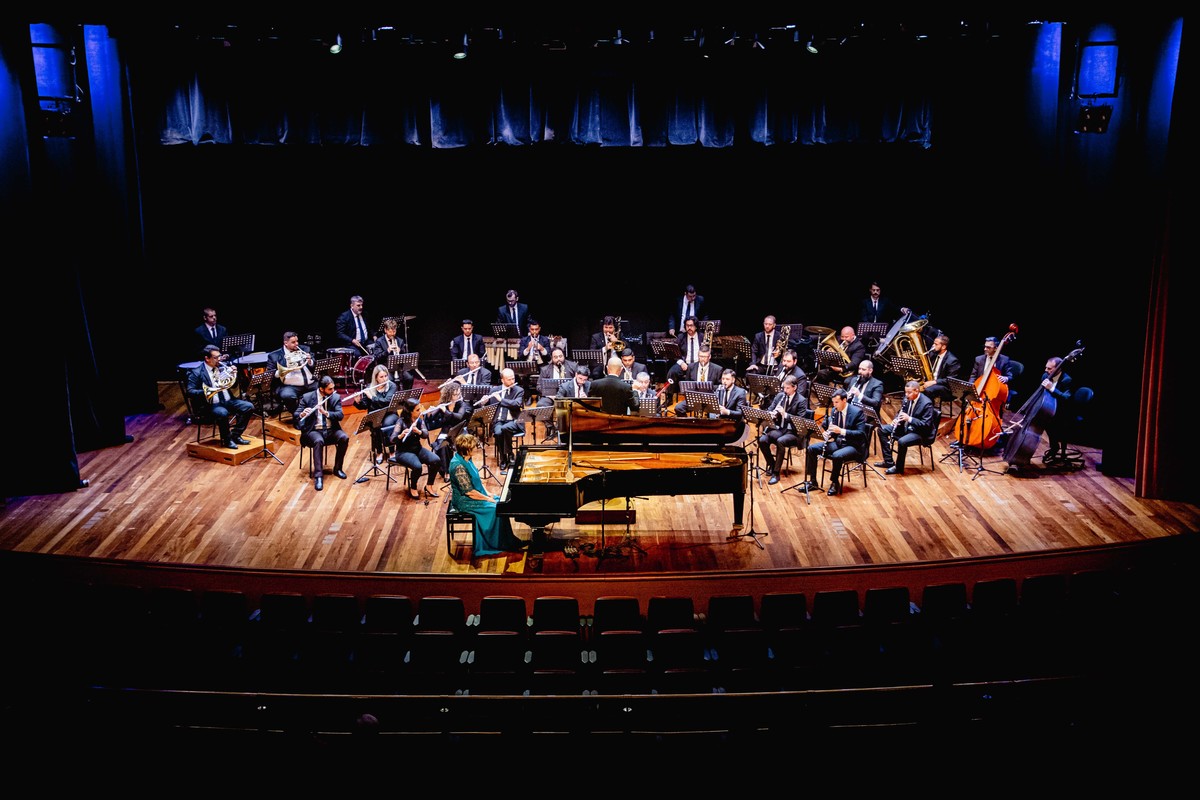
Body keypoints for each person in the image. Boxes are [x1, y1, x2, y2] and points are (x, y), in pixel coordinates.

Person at [447, 432, 525, 556]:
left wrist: (488, 493)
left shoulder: (467, 459)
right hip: (465, 501)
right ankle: (496, 543)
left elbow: (476, 479)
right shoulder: (458, 467)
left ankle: (507, 540)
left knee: (502, 503)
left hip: (475, 494)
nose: (476, 448)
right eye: (473, 447)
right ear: (466, 449)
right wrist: (488, 499)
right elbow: (469, 492)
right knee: (496, 508)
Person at [802, 387, 867, 496]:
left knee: (837, 455)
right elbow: (833, 429)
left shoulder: (857, 412)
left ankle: (835, 482)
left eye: (837, 402)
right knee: (811, 449)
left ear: (844, 400)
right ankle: (813, 482)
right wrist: (828, 434)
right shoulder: (834, 411)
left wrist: (842, 431)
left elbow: (861, 434)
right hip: (839, 443)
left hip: (853, 446)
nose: (834, 405)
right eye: (833, 402)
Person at [186, 345, 254, 449]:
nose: (219, 359)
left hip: (228, 400)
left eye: (219, 356)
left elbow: (233, 386)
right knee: (222, 413)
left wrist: (234, 375)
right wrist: (208, 390)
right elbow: (190, 391)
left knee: (248, 406)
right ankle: (227, 440)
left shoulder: (223, 367)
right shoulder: (196, 372)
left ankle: (235, 435)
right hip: (210, 405)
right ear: (207, 358)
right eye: (216, 357)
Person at [297, 375, 349, 491]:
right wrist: (302, 414)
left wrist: (326, 413)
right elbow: (296, 415)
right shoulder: (307, 397)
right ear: (321, 389)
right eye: (330, 389)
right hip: (314, 430)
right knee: (318, 441)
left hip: (331, 430)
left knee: (344, 438)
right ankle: (318, 476)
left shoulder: (335, 397)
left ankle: (337, 469)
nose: (333, 391)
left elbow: (340, 415)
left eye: (333, 388)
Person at [876, 380, 937, 474]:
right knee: (881, 430)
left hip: (920, 432)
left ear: (916, 391)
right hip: (906, 427)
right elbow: (900, 412)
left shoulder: (926, 403)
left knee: (902, 441)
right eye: (906, 392)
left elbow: (926, 425)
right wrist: (896, 419)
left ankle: (898, 468)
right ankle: (888, 461)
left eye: (909, 392)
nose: (906, 395)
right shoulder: (907, 399)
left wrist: (909, 419)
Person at [389, 398, 444, 500]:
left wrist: (419, 432)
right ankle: (413, 487)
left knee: (436, 460)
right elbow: (392, 439)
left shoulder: (419, 420)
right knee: (418, 467)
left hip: (417, 449)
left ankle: (429, 485)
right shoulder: (401, 422)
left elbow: (425, 434)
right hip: (403, 452)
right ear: (410, 411)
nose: (420, 411)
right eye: (417, 410)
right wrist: (401, 435)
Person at [758, 376, 809, 485]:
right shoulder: (780, 396)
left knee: (780, 441)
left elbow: (799, 421)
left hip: (794, 432)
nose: (785, 391)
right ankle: (772, 465)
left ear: (794, 387)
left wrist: (785, 415)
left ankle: (776, 473)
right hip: (780, 429)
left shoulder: (802, 401)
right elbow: (770, 409)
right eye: (784, 388)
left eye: (787, 388)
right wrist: (771, 414)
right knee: (762, 440)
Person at [476, 368, 524, 473]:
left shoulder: (519, 390)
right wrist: (484, 402)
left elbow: (516, 404)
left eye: (513, 378)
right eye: (509, 379)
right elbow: (487, 407)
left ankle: (508, 455)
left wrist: (501, 399)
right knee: (498, 432)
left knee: (505, 428)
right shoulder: (494, 390)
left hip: (513, 421)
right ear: (502, 380)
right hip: (498, 421)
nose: (512, 381)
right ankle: (505, 457)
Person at [354, 364, 398, 465]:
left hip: (389, 413)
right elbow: (365, 405)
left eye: (386, 376)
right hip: (376, 414)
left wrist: (372, 397)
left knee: (387, 424)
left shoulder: (392, 386)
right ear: (376, 378)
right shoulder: (370, 388)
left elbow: (386, 402)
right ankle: (379, 452)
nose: (384, 379)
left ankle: (392, 451)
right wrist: (358, 402)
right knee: (375, 425)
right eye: (381, 377)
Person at [267, 331, 316, 422]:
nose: (296, 344)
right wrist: (285, 370)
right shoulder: (274, 355)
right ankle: (298, 416)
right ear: (286, 343)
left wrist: (310, 361)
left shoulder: (305, 349)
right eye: (293, 342)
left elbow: (314, 365)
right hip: (290, 386)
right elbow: (270, 374)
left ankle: (316, 415)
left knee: (324, 388)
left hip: (310, 382)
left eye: (297, 341)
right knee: (287, 395)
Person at [424, 382, 471, 477]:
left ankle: (466, 467)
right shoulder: (443, 404)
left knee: (464, 443)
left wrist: (446, 412)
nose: (458, 396)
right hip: (446, 431)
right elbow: (430, 419)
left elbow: (459, 417)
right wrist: (429, 414)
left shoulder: (462, 404)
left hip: (459, 430)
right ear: (449, 395)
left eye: (459, 394)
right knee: (443, 445)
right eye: (455, 395)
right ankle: (447, 471)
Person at [1034, 356, 1074, 462]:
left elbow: (1066, 398)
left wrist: (1052, 388)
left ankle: (1054, 447)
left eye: (1049, 368)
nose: (1046, 370)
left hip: (1062, 410)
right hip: (1049, 407)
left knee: (1048, 421)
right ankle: (1053, 446)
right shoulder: (1045, 376)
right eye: (1046, 367)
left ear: (1058, 368)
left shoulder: (1067, 380)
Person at [672, 346, 724, 416]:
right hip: (694, 398)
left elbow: (720, 387)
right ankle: (689, 423)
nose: (702, 359)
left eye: (705, 357)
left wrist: (707, 386)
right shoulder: (691, 367)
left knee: (713, 415)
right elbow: (687, 383)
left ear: (709, 357)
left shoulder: (718, 369)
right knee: (678, 408)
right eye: (701, 356)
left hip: (710, 399)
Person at [370, 317, 413, 391]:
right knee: (390, 380)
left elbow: (405, 356)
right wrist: (388, 351)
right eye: (390, 332)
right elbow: (377, 357)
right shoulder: (379, 341)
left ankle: (405, 395)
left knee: (409, 378)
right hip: (386, 368)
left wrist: (400, 351)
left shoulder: (400, 341)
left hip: (399, 368)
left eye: (394, 331)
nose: (392, 334)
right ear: (385, 330)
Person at [921, 333, 962, 405]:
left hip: (945, 388)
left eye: (936, 344)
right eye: (933, 343)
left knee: (928, 390)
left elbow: (950, 380)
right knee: (912, 385)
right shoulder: (932, 354)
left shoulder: (952, 360)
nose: (933, 346)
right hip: (931, 381)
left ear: (943, 347)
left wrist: (934, 382)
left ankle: (928, 410)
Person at [664, 317, 703, 390]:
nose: (689, 328)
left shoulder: (702, 336)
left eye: (691, 325)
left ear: (696, 326)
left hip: (698, 363)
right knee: (672, 372)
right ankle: (670, 394)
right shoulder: (681, 337)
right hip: (685, 363)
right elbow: (676, 353)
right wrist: (681, 363)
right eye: (687, 325)